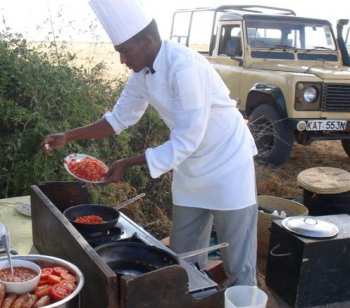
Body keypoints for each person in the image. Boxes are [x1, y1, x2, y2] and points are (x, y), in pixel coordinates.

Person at [43, 0, 258, 286]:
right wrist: (68, 136)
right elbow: (118, 119)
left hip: (228, 161)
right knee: (182, 256)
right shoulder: (142, 73)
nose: (122, 60)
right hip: (190, 166)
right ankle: (191, 298)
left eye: (125, 51)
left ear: (147, 40)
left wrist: (127, 163)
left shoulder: (185, 66)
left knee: (237, 260)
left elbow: (188, 137)